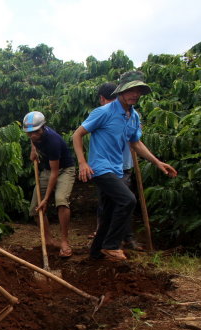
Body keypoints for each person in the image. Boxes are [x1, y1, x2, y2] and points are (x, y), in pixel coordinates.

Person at [73, 71, 177, 262]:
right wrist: (82, 163)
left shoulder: (134, 116)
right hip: (100, 168)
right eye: (131, 90)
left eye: (138, 91)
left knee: (109, 212)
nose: (135, 94)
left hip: (117, 169)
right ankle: (111, 245)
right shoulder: (103, 112)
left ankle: (95, 256)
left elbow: (135, 143)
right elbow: (77, 135)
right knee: (128, 200)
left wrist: (157, 162)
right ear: (121, 91)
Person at [23, 111, 76, 258]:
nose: (33, 135)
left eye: (36, 132)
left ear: (44, 127)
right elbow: (33, 140)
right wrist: (33, 150)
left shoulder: (53, 141)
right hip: (48, 170)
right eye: (30, 133)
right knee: (35, 207)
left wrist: (46, 199)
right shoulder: (34, 136)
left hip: (64, 170)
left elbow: (55, 173)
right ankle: (48, 240)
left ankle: (64, 242)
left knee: (61, 201)